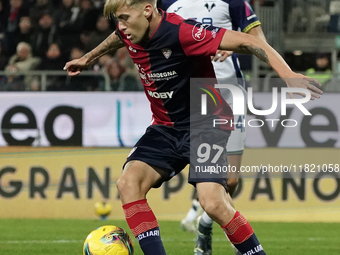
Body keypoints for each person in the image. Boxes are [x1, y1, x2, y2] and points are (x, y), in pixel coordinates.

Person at [64, 0, 322, 254]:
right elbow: (118, 36)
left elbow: (250, 41)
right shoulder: (131, 27)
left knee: (213, 204)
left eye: (124, 18)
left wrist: (287, 75)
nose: (122, 26)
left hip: (206, 123)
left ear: (147, 10)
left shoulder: (182, 32)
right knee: (128, 183)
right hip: (165, 126)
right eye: (118, 19)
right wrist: (88, 57)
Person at [162, 0, 266, 254]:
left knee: (230, 180)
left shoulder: (233, 2)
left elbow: (259, 42)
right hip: (195, 93)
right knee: (212, 179)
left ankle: (204, 224)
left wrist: (236, 45)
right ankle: (217, 226)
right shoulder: (166, 4)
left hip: (230, 92)